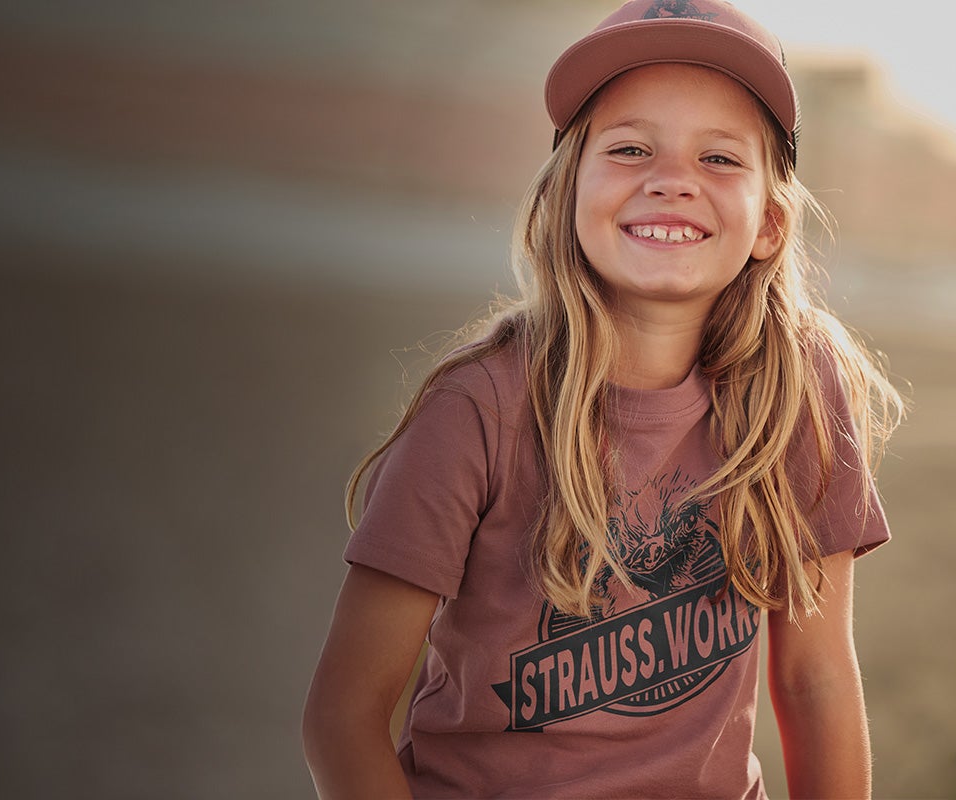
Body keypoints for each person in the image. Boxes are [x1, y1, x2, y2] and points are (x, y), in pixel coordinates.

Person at [301, 1, 907, 798]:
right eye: (629, 148)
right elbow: (343, 717)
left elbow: (816, 680)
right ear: (565, 197)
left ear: (769, 222)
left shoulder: (798, 389)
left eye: (720, 159)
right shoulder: (480, 408)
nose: (671, 180)